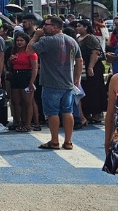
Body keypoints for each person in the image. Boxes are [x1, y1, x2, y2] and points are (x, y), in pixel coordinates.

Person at [28, 16, 83, 150]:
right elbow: (79, 60)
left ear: (55, 27)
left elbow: (29, 50)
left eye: (47, 25)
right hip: (68, 83)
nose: (43, 27)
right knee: (67, 111)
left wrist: (35, 36)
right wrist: (76, 78)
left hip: (51, 83)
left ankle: (54, 141)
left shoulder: (48, 40)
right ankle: (68, 142)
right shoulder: (72, 41)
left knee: (52, 113)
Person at [75, 20, 108, 124]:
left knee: (95, 89)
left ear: (85, 27)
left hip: (93, 66)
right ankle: (87, 112)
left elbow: (95, 52)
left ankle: (97, 113)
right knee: (85, 89)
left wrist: (90, 67)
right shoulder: (78, 38)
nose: (77, 28)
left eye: (79, 26)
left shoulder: (90, 38)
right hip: (83, 66)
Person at [8, 32, 38, 132]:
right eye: (17, 40)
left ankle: (28, 124)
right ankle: (17, 122)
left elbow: (35, 68)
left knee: (28, 102)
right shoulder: (15, 52)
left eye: (21, 40)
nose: (19, 42)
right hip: (16, 76)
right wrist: (10, 60)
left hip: (26, 76)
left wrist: (31, 82)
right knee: (15, 101)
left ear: (26, 41)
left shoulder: (30, 52)